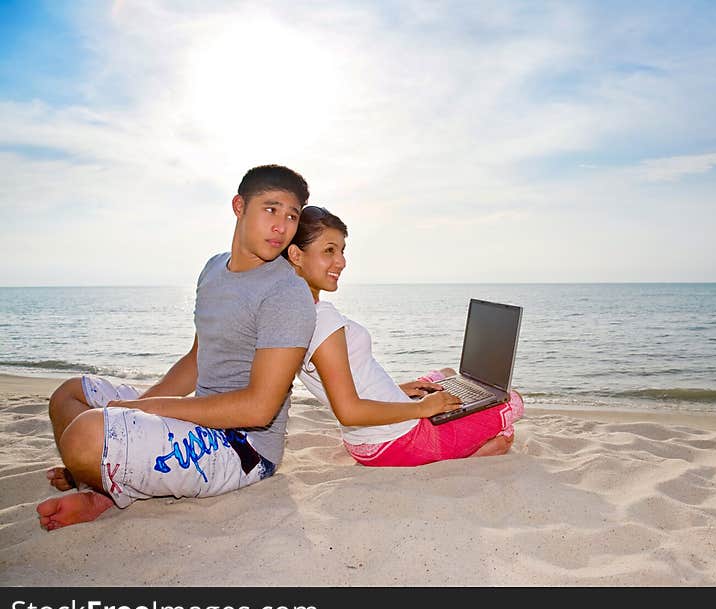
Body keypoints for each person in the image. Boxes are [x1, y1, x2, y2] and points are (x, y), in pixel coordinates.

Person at [38, 164, 316, 530]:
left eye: (292, 216)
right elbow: (197, 360)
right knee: (67, 395)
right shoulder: (214, 270)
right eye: (270, 209)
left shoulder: (286, 293)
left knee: (85, 435)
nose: (281, 226)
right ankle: (101, 483)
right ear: (239, 206)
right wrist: (136, 410)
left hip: (242, 447)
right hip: (198, 416)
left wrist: (143, 409)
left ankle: (101, 487)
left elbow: (260, 408)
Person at [284, 206, 524, 467]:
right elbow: (349, 411)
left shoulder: (294, 315)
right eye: (329, 250)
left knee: (444, 375)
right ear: (296, 254)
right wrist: (422, 408)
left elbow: (341, 385)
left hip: (364, 444)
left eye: (342, 251)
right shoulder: (323, 320)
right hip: (399, 441)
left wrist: (396, 391)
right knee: (512, 402)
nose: (341, 261)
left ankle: (448, 426)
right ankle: (462, 457)